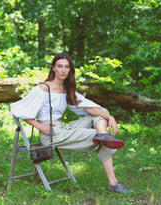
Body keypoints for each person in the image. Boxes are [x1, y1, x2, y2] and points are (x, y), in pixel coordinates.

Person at [11, 53, 134, 193]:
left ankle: (103, 135)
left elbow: (87, 106)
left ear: (70, 70)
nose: (63, 70)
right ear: (53, 68)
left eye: (67, 67)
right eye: (60, 66)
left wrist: (110, 117)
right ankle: (113, 182)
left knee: (101, 112)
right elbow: (18, 111)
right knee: (97, 135)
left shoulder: (66, 89)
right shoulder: (43, 89)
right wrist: (41, 127)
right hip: (51, 133)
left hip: (62, 128)